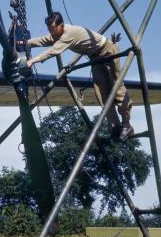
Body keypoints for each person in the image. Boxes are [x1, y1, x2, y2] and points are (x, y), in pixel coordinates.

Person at [26, 11, 133, 141]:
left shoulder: (68, 33)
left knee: (117, 88)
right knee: (102, 94)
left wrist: (32, 61)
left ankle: (126, 124)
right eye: (50, 29)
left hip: (107, 50)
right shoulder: (58, 32)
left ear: (61, 25)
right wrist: (27, 43)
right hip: (95, 57)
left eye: (53, 29)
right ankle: (115, 127)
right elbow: (46, 40)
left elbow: (52, 51)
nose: (52, 32)